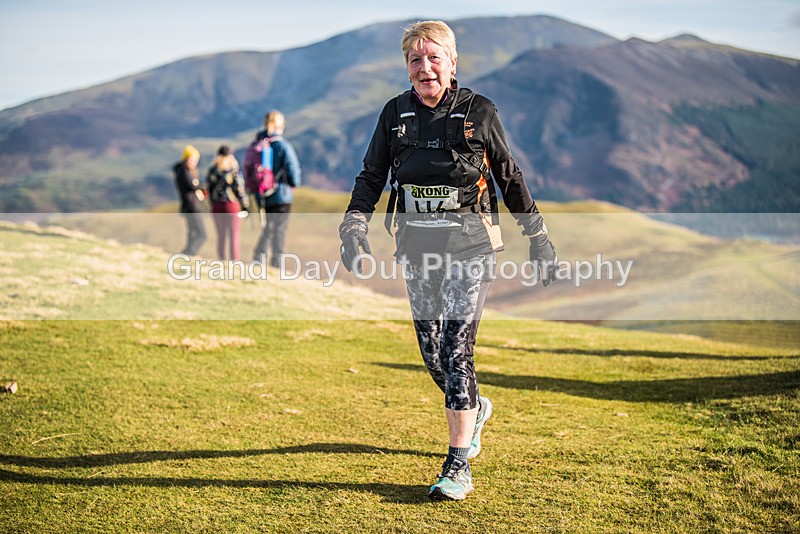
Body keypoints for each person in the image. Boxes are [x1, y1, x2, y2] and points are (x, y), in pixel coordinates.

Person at [338, 20, 557, 501]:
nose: (425, 67)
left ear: (452, 62)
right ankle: (474, 407)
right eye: (415, 60)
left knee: (458, 351)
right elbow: (372, 174)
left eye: (434, 57)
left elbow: (508, 174)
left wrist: (537, 236)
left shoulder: (479, 111)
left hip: (471, 247)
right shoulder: (394, 113)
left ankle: (457, 466)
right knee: (434, 355)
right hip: (417, 248)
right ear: (407, 67)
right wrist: (353, 226)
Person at [249, 110, 302, 267]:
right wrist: (293, 183)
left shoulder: (258, 144)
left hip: (262, 194)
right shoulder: (282, 146)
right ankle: (275, 262)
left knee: (269, 227)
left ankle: (259, 257)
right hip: (281, 194)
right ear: (281, 125)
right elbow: (293, 172)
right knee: (278, 229)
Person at [207, 145, 249, 260]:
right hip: (231, 206)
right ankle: (234, 262)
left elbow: (209, 189)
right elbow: (239, 190)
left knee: (221, 236)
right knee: (234, 236)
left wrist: (213, 203)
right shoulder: (233, 171)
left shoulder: (213, 171)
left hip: (216, 206)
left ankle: (221, 260)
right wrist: (245, 206)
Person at [173, 144, 206, 256]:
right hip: (192, 206)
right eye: (192, 159)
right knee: (201, 233)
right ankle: (189, 252)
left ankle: (186, 254)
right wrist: (201, 186)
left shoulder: (182, 170)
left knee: (193, 232)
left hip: (190, 205)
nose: (194, 162)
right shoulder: (183, 171)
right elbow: (191, 185)